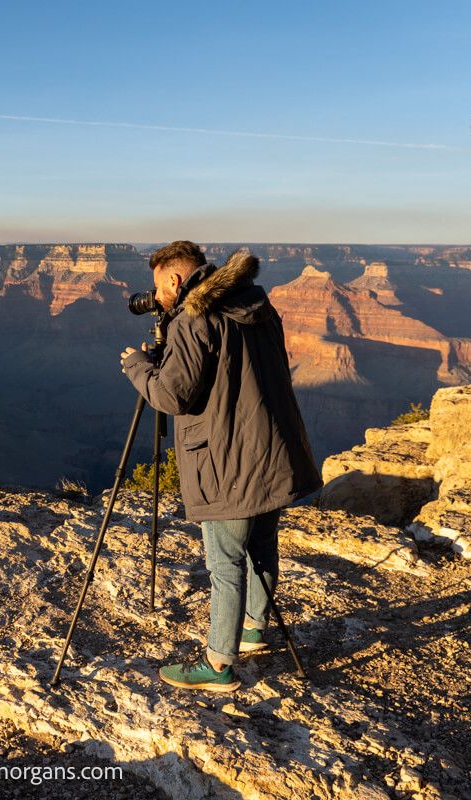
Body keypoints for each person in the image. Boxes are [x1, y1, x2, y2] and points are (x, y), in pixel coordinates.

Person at [119, 240, 322, 692]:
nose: (158, 298)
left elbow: (172, 396)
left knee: (225, 562)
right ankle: (254, 628)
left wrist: (138, 368)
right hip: (272, 449)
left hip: (228, 461)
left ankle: (217, 664)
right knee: (262, 546)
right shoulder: (255, 302)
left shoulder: (194, 319)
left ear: (175, 279)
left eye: (159, 288)